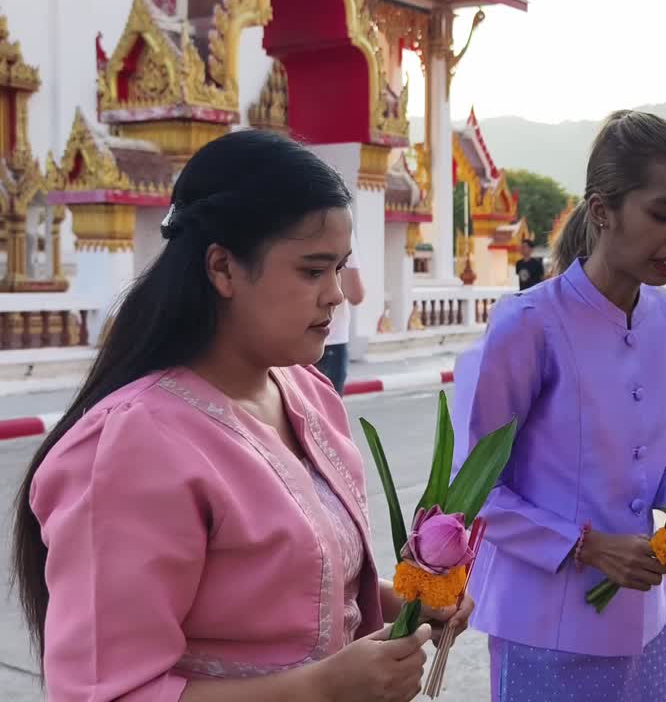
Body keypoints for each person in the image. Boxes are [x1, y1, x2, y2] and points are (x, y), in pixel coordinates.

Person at [10, 130, 471, 702]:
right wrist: (322, 688)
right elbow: (108, 693)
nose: (336, 295)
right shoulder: (133, 445)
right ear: (223, 268)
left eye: (339, 269)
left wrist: (410, 603)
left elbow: (309, 588)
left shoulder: (308, 394)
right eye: (311, 271)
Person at [450, 110, 666, 702]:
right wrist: (589, 547)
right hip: (544, 633)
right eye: (662, 214)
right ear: (603, 211)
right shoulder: (529, 326)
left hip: (650, 621)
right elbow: (471, 490)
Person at [316, 231, 364, 394]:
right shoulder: (341, 229)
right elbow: (355, 293)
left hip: (288, 339)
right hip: (331, 338)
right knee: (326, 415)